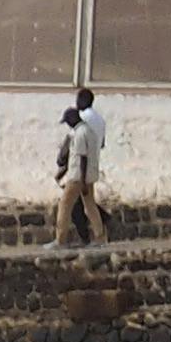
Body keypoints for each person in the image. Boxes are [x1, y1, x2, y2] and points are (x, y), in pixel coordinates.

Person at [54, 84, 110, 245]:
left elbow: (75, 150)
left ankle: (65, 239)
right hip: (92, 167)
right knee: (89, 204)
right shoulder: (100, 120)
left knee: (68, 205)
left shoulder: (81, 123)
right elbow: (100, 145)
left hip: (78, 172)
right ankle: (99, 236)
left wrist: (62, 166)